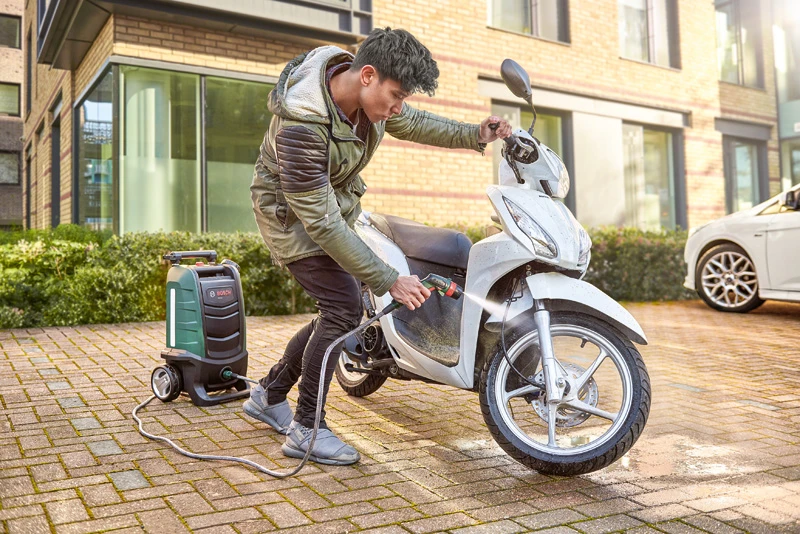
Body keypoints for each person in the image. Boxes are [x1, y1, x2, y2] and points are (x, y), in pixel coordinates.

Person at [245, 27, 512, 465]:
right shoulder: (302, 124)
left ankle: (269, 395)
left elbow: (415, 122)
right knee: (343, 310)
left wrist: (475, 134)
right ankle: (305, 429)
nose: (398, 106)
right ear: (367, 75)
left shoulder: (369, 102)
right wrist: (390, 280)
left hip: (331, 211)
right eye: (396, 95)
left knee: (340, 311)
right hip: (289, 218)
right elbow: (320, 222)